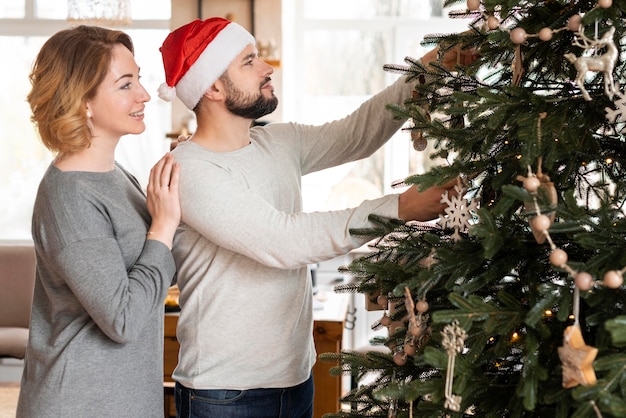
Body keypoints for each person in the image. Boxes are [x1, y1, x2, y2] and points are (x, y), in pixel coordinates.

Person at [158, 17, 476, 418]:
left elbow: (357, 132)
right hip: (225, 392)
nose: (266, 68)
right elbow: (283, 241)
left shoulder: (279, 141)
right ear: (213, 86)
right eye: (249, 61)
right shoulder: (189, 170)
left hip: (294, 377)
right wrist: (400, 208)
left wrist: (432, 66)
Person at [16, 25, 181, 418]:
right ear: (83, 101)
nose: (143, 94)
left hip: (120, 399)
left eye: (138, 78)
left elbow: (157, 273)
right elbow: (123, 320)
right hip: (79, 402)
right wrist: (162, 227)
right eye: (125, 85)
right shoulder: (69, 195)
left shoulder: (114, 175)